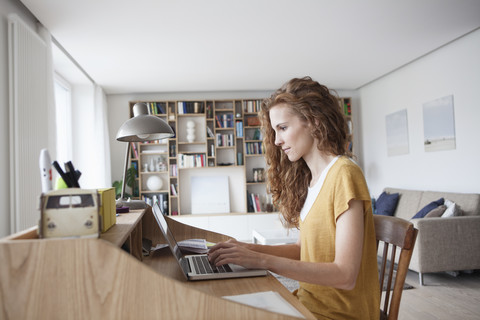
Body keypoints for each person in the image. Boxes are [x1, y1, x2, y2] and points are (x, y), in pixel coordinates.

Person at [208, 76, 380, 319]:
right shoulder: (312, 180)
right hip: (306, 303)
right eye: (275, 131)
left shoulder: (344, 173)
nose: (277, 141)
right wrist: (245, 249)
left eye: (283, 128)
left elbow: (345, 275)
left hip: (337, 314)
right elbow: (303, 250)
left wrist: (261, 260)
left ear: (313, 122)